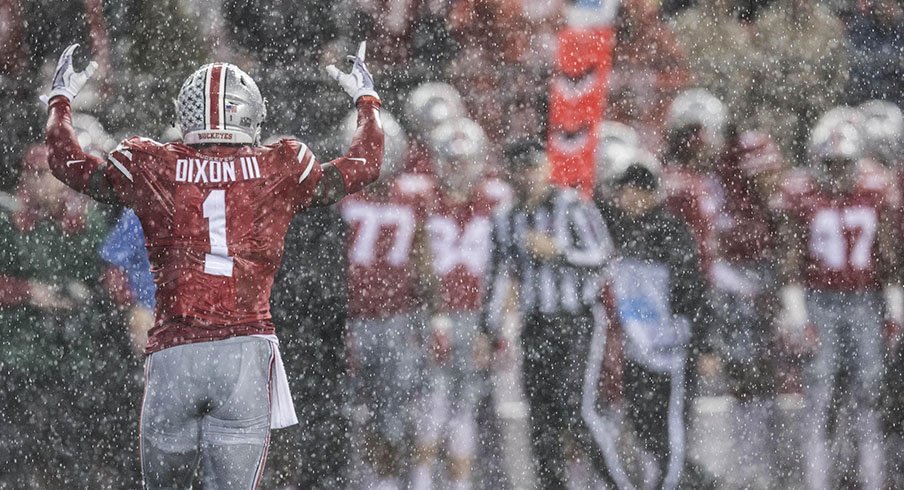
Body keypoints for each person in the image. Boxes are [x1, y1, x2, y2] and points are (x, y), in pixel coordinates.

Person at [42, 42, 384, 488]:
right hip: (244, 349)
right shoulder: (279, 164)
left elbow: (66, 162)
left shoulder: (152, 163)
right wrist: (367, 102)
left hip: (175, 353)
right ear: (251, 114)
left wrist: (60, 102)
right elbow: (365, 164)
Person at [481, 140, 616, 489]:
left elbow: (604, 257)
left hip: (576, 321)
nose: (526, 176)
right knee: (541, 417)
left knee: (575, 410)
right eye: (518, 168)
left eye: (532, 167)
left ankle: (619, 483)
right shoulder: (505, 218)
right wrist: (488, 329)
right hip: (536, 323)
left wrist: (560, 252)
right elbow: (498, 276)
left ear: (546, 168)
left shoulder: (572, 207)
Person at [775, 109, 896, 490]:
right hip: (819, 301)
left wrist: (895, 308)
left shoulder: (876, 190)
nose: (838, 172)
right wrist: (796, 312)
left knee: (869, 403)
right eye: (830, 164)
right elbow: (791, 260)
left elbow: (889, 257)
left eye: (845, 164)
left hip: (864, 300)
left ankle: (873, 481)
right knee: (819, 401)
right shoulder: (802, 194)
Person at [596, 160, 709, 490]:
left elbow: (693, 290)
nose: (622, 200)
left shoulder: (671, 230)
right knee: (645, 428)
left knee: (670, 429)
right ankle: (691, 481)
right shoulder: (623, 227)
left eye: (628, 192)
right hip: (638, 347)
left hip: (669, 348)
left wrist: (701, 344)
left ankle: (681, 483)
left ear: (646, 193)